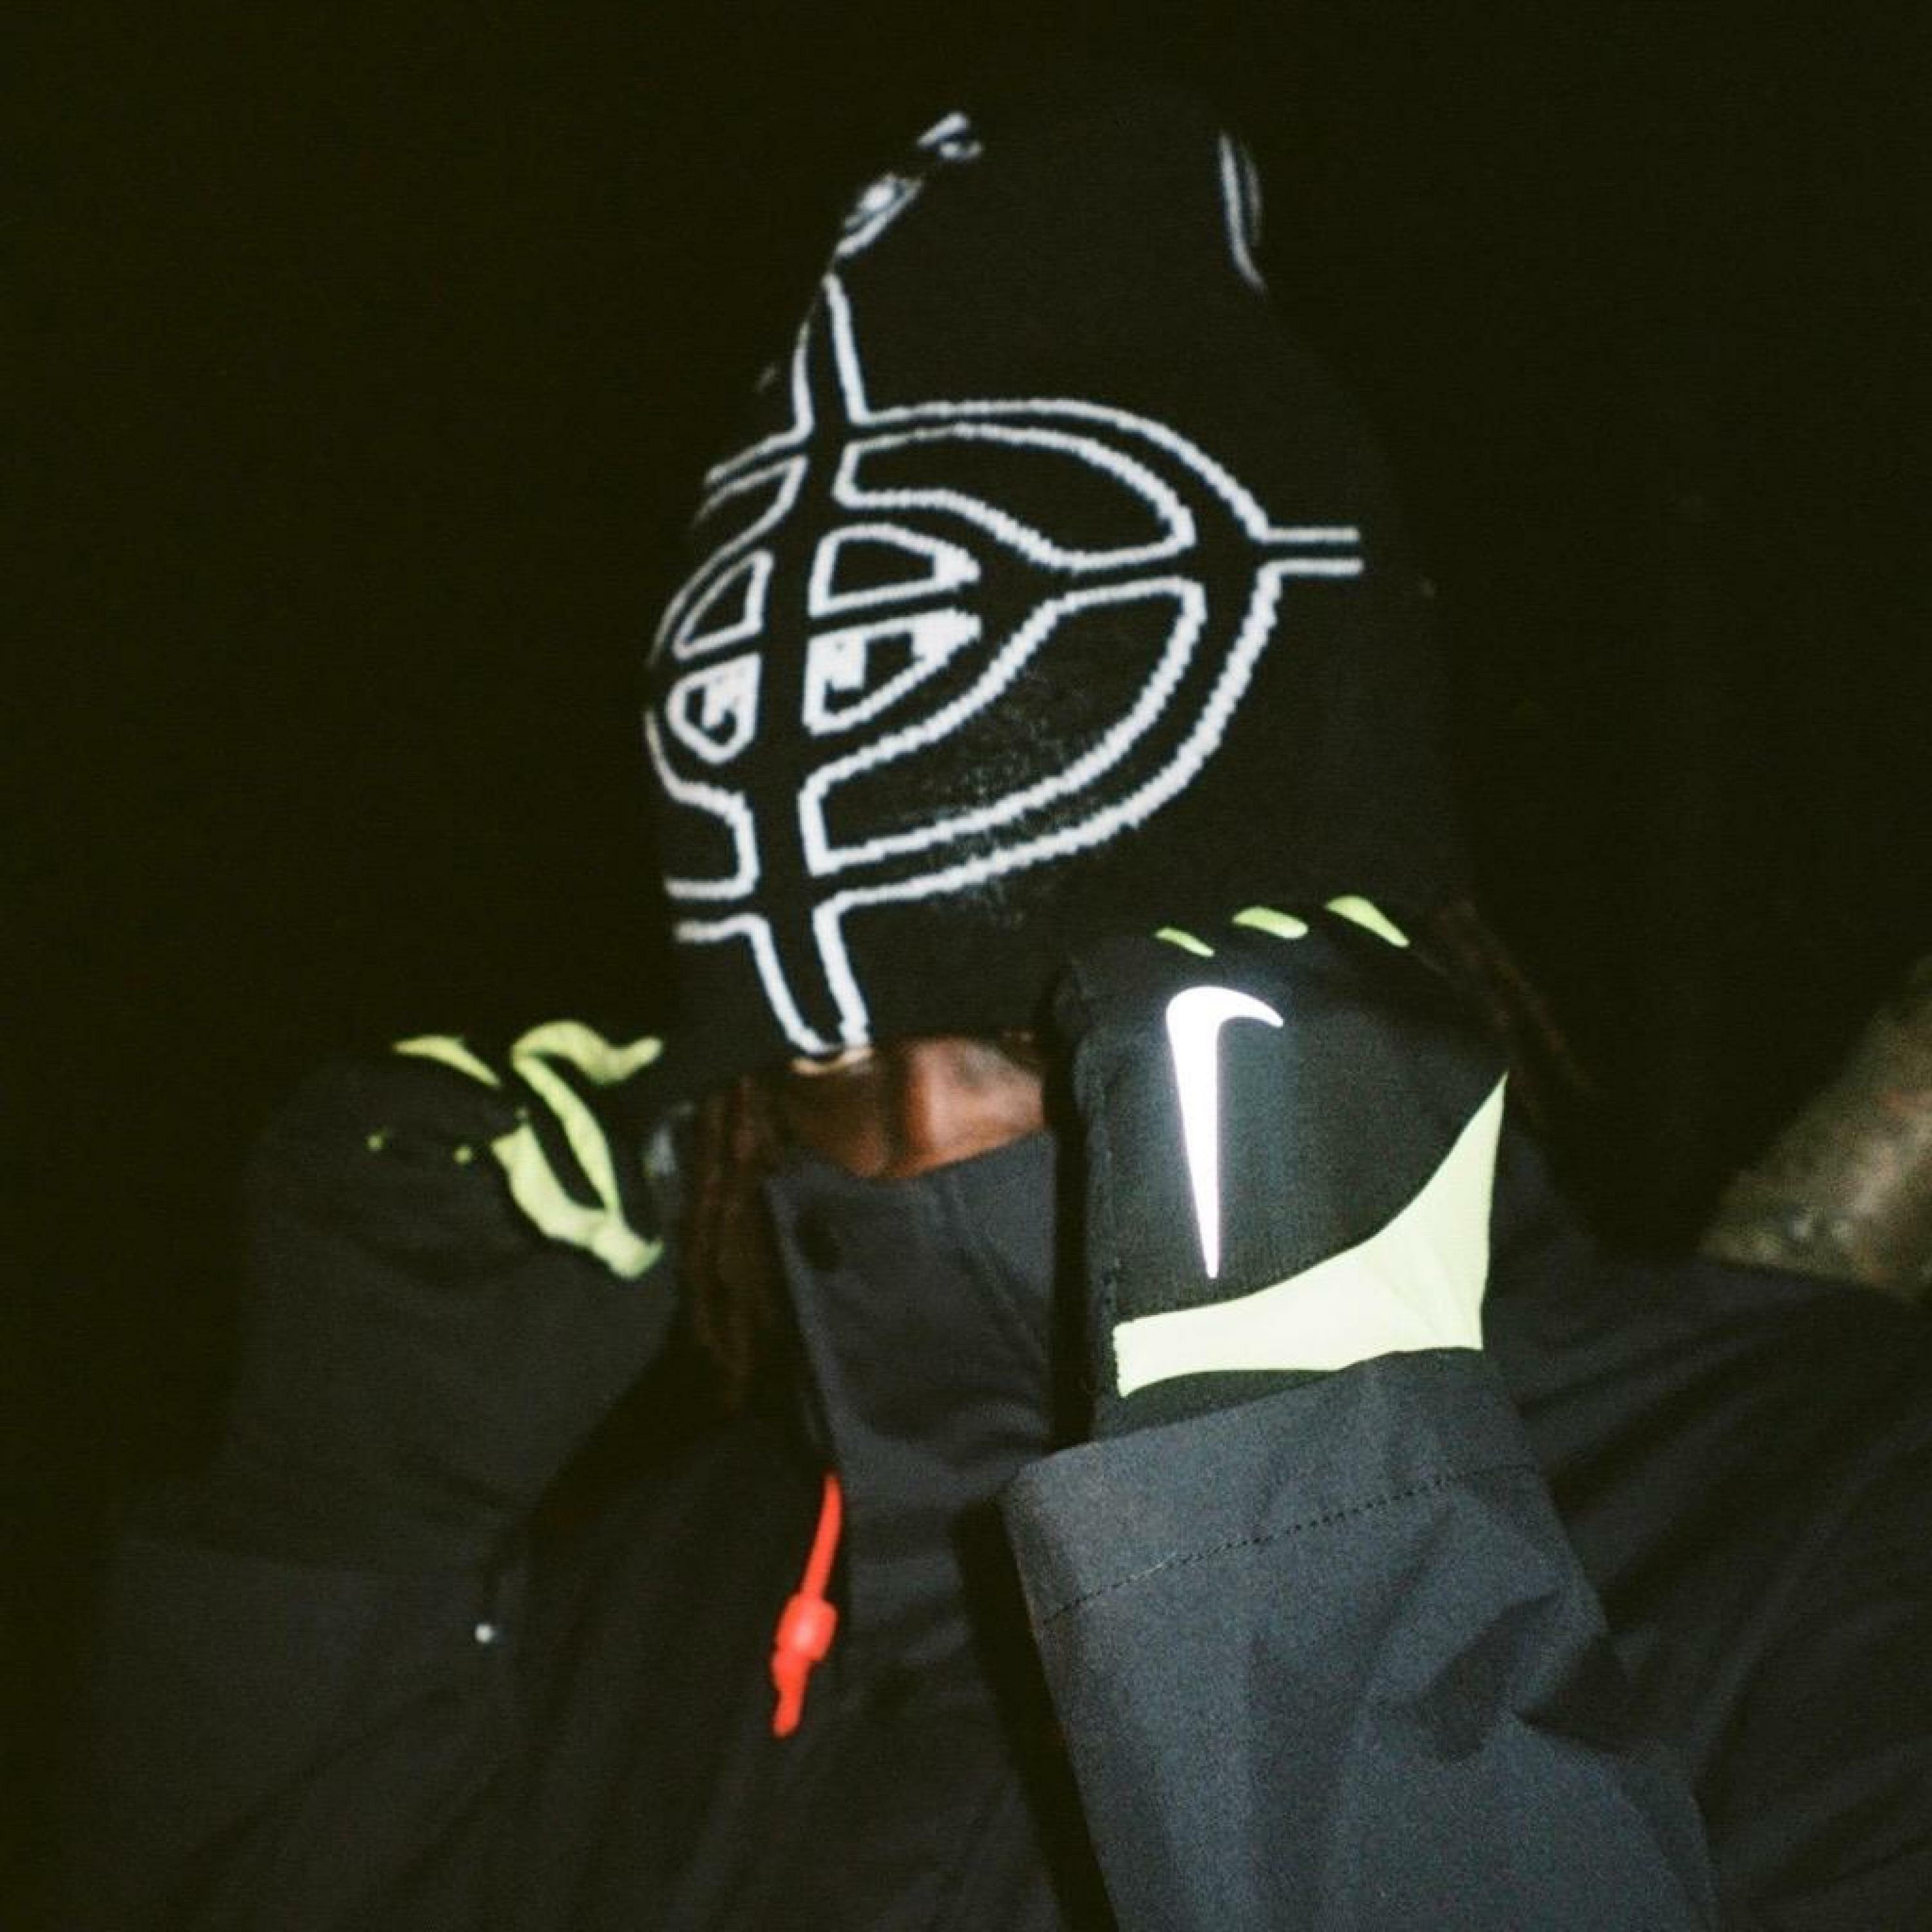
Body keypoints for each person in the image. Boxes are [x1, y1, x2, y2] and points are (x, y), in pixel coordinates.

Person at [60, 81, 1932, 1929]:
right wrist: (332, 1542)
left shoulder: (1842, 1525)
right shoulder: (677, 1596)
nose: (911, 1146)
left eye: (1041, 1033)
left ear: (1331, 969)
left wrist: (1311, 1533)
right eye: (815, 1052)